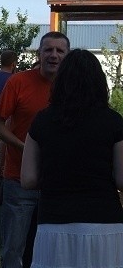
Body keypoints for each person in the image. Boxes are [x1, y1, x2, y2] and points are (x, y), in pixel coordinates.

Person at [21, 49, 123, 267]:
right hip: (103, 222)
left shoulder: (42, 121)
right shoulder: (114, 122)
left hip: (54, 221)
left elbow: (28, 179)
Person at [0, 31, 70, 268]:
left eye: (60, 51)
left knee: (52, 251)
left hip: (58, 182)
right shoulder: (19, 82)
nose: (53, 55)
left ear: (68, 56)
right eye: (48, 50)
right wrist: (25, 148)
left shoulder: (73, 88)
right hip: (18, 180)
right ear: (39, 53)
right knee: (13, 250)